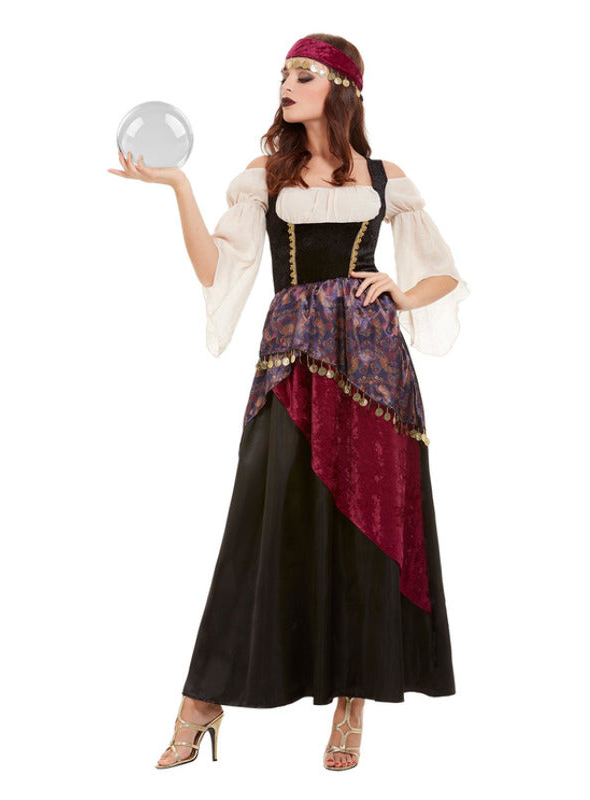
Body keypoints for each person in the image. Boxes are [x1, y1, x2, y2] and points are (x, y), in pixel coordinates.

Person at [108, 32, 469, 772]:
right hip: (293, 365)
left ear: (344, 88)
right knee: (262, 521)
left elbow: (445, 275)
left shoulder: (385, 177)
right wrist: (179, 187)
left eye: (304, 74)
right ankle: (202, 700)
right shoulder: (264, 176)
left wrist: (399, 291)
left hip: (374, 370)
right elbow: (216, 268)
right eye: (284, 74)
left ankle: (353, 700)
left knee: (368, 525)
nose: (287, 83)